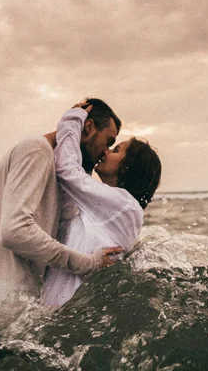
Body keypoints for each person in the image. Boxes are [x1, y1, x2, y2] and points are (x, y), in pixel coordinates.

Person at [0, 98, 124, 317]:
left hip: (11, 312)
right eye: (108, 141)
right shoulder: (37, 150)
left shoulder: (56, 171)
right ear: (90, 127)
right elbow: (14, 231)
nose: (105, 152)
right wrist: (88, 263)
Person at [44, 103, 162, 307]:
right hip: (57, 311)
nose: (106, 152)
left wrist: (72, 120)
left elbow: (66, 169)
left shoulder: (124, 205)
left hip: (59, 310)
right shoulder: (112, 208)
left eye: (116, 150)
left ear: (127, 168)